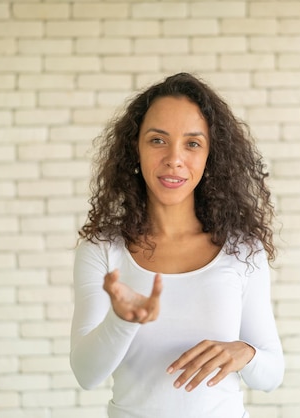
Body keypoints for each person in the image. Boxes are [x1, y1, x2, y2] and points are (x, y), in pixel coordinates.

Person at [70, 72, 284, 418]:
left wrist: (244, 353)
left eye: (192, 143)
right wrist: (123, 321)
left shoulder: (242, 250)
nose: (174, 158)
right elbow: (86, 373)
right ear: (134, 149)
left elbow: (271, 374)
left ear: (210, 156)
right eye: (158, 140)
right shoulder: (102, 249)